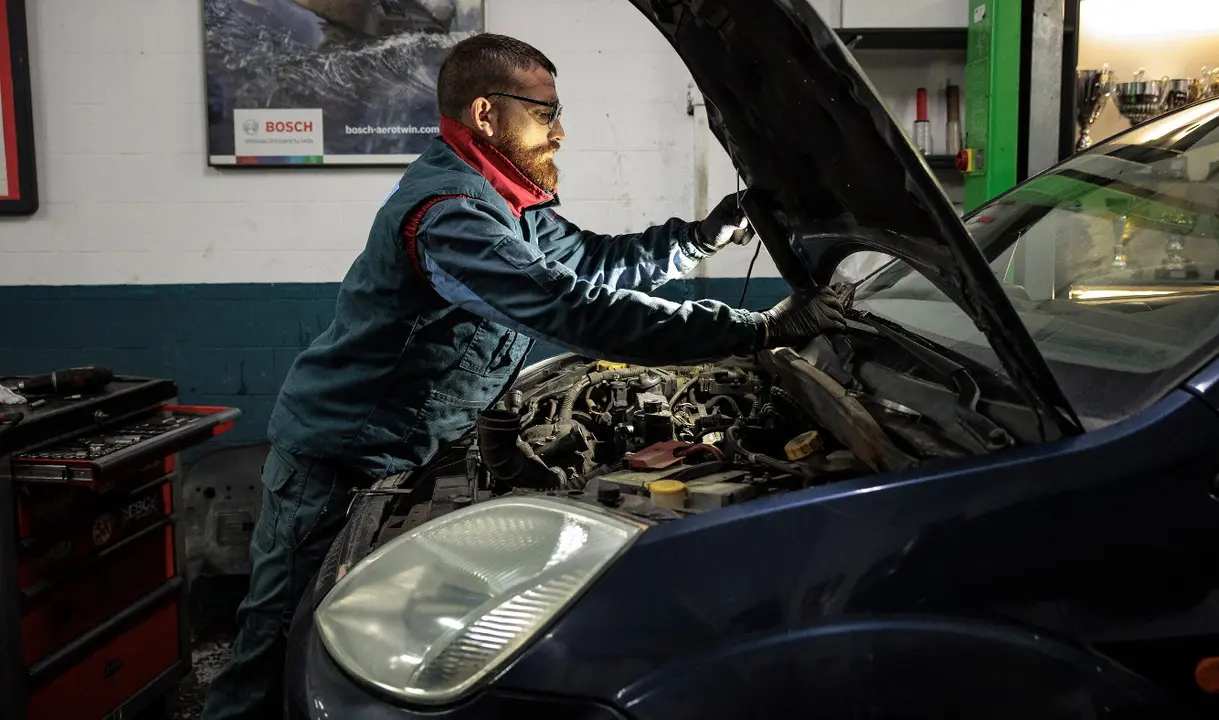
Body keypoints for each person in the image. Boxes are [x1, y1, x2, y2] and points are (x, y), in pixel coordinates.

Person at [200, 32, 845, 719]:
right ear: (485, 114)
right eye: (544, 113)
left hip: (407, 454)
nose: (558, 132)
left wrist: (697, 238)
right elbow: (571, 309)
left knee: (375, 645)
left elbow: (594, 264)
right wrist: (755, 328)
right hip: (339, 465)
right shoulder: (449, 214)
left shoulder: (509, 205)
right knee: (275, 649)